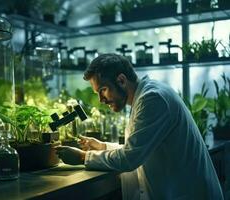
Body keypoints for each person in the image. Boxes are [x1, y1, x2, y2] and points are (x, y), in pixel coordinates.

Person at [55, 53, 224, 200]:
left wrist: (83, 157)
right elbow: (140, 148)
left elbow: (130, 158)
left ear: (121, 80)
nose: (101, 99)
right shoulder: (143, 97)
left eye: (103, 90)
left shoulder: (152, 98)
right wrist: (103, 146)